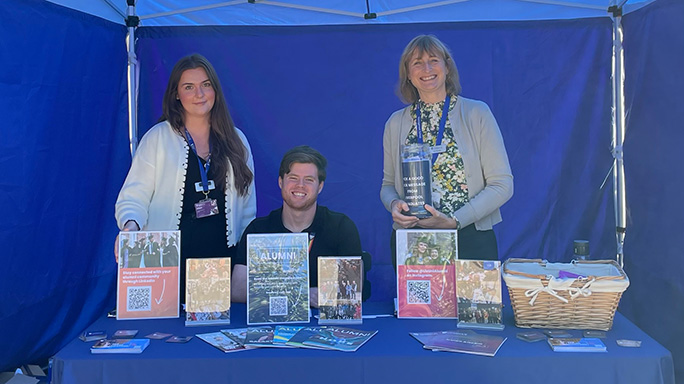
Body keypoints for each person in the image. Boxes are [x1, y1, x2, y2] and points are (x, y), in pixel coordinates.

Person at [115, 54, 256, 302]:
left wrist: (243, 266)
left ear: (215, 90)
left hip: (220, 265)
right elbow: (134, 197)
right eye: (188, 87)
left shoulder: (238, 141)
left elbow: (247, 212)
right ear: (176, 94)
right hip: (169, 266)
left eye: (205, 85)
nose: (199, 94)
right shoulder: (157, 138)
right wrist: (130, 227)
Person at [381, 35, 513, 265]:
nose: (427, 68)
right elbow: (388, 186)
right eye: (417, 63)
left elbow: (502, 185)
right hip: (414, 240)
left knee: (470, 303)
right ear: (408, 74)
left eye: (434, 60)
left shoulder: (477, 113)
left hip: (471, 238)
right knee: (420, 304)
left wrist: (455, 220)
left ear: (447, 67)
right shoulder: (395, 123)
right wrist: (394, 205)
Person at [232, 145, 362, 306]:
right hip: (272, 324)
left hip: (323, 325)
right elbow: (237, 290)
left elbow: (353, 290)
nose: (300, 185)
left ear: (320, 186)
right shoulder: (258, 230)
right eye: (293, 178)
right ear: (281, 182)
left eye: (309, 180)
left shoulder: (341, 227)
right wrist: (302, 294)